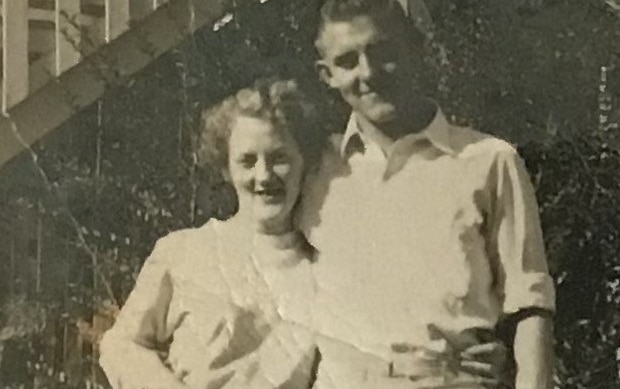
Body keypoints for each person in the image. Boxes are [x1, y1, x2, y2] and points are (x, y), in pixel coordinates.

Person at [299, 0, 556, 388]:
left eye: (383, 51)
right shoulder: (312, 170)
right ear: (327, 75)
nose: (369, 73)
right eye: (348, 60)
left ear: (414, 49)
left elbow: (530, 304)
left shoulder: (488, 161)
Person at [99, 79, 327, 389]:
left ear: (305, 162)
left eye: (279, 159)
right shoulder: (182, 251)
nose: (264, 176)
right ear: (225, 168)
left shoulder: (327, 269)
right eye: (248, 161)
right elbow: (119, 346)